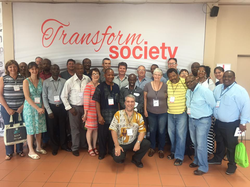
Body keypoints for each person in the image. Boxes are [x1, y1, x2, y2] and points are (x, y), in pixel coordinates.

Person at [209, 70, 250, 175]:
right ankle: (218, 158)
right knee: (219, 141)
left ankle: (232, 165)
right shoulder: (218, 88)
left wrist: (243, 123)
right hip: (218, 121)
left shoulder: (240, 90)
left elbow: (246, 107)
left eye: (229, 77)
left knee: (231, 145)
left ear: (234, 78)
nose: (226, 79)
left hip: (231, 124)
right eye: (225, 77)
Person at [185, 75, 216, 175]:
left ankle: (203, 167)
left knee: (201, 145)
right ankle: (197, 161)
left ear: (196, 80)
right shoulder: (189, 91)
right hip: (192, 119)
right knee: (195, 143)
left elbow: (213, 104)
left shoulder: (204, 91)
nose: (189, 84)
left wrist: (208, 115)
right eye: (187, 82)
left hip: (203, 121)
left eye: (191, 81)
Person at [110, 95, 151, 168]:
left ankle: (136, 159)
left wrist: (138, 143)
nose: (130, 104)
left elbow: (142, 131)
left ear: (134, 103)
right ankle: (122, 154)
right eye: (128, 101)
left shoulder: (138, 116)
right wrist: (116, 145)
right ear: (125, 103)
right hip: (121, 143)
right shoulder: (118, 114)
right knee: (118, 158)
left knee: (146, 143)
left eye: (132, 102)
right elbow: (113, 130)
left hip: (133, 141)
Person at [61, 63, 91, 156]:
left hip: (85, 108)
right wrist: (69, 108)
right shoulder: (69, 81)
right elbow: (63, 96)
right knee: (75, 129)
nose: (80, 70)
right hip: (74, 108)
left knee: (84, 128)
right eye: (78, 68)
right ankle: (75, 147)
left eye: (81, 68)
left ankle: (83, 144)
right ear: (74, 70)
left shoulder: (87, 79)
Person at [42, 64, 71, 155]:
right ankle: (54, 147)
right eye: (53, 69)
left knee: (63, 127)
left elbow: (67, 94)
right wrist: (49, 110)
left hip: (62, 107)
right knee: (52, 128)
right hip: (51, 107)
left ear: (59, 71)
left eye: (57, 69)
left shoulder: (64, 81)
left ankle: (64, 145)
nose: (55, 70)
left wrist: (67, 107)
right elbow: (44, 97)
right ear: (51, 70)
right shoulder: (46, 82)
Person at [0, 60, 25, 160]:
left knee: (20, 128)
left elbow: (26, 95)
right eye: (10, 67)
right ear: (7, 69)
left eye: (14, 66)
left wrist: (22, 107)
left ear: (17, 68)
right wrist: (7, 108)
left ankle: (20, 150)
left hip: (20, 109)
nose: (12, 69)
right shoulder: (3, 79)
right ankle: (9, 152)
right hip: (7, 108)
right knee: (9, 129)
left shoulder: (23, 79)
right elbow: (0, 95)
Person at [92, 68, 120, 160]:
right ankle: (102, 152)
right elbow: (97, 102)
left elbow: (118, 102)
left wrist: (119, 115)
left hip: (114, 115)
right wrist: (99, 116)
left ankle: (112, 151)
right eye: (108, 75)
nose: (110, 76)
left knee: (113, 135)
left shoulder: (116, 87)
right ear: (104, 75)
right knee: (102, 135)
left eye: (112, 75)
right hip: (103, 115)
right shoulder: (100, 87)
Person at [23, 62, 47, 159]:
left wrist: (43, 107)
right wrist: (37, 108)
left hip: (40, 108)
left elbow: (43, 95)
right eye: (32, 69)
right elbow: (27, 97)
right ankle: (31, 151)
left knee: (39, 128)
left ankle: (38, 147)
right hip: (30, 108)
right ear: (29, 70)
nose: (34, 71)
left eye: (36, 69)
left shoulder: (41, 80)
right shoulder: (26, 81)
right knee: (31, 129)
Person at [144, 68, 168, 158]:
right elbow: (145, 98)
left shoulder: (165, 86)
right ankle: (152, 147)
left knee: (161, 131)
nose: (157, 76)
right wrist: (145, 110)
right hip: (151, 112)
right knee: (152, 130)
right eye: (155, 74)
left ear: (161, 76)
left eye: (159, 75)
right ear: (153, 75)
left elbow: (167, 97)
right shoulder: (147, 85)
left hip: (163, 112)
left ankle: (161, 149)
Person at [166, 68, 187, 166]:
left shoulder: (184, 82)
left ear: (178, 74)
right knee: (171, 134)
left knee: (180, 136)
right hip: (170, 113)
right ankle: (173, 152)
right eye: (170, 77)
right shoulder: (167, 83)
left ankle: (179, 157)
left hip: (181, 113)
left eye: (174, 76)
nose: (172, 78)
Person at [198, 65, 215, 156]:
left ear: (206, 73)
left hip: (207, 113)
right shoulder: (196, 82)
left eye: (203, 71)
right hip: (197, 113)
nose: (200, 73)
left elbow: (212, 98)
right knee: (198, 135)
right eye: (199, 71)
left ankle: (208, 152)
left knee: (208, 134)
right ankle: (199, 152)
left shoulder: (210, 83)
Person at [82, 68, 100, 157]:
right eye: (94, 74)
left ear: (99, 76)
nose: (95, 75)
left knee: (96, 130)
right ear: (91, 76)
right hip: (90, 111)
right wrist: (85, 113)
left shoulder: (100, 86)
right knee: (90, 130)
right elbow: (86, 100)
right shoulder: (88, 86)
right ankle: (89, 147)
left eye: (97, 74)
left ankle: (94, 146)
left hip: (98, 111)